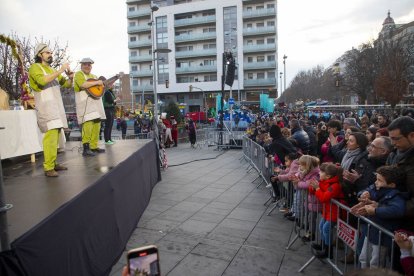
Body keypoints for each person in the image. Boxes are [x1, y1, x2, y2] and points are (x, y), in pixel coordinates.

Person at [28, 43, 74, 177]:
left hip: (56, 107)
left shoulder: (52, 69)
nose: (50, 55)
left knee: (57, 137)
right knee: (50, 137)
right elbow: (42, 81)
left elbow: (66, 85)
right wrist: (60, 71)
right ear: (39, 55)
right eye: (47, 52)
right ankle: (48, 167)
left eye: (51, 53)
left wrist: (70, 78)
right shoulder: (35, 67)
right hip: (46, 108)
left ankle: (53, 163)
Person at [353, 165, 406, 269]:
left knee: (375, 263)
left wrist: (375, 210)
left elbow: (397, 210)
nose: (376, 182)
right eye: (376, 179)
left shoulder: (396, 196)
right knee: (363, 258)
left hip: (382, 237)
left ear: (391, 185)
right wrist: (363, 194)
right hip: (370, 232)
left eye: (379, 180)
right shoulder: (375, 187)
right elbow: (367, 189)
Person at [309, 162, 344, 258]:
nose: (319, 173)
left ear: (328, 176)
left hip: (334, 212)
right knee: (321, 227)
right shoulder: (325, 182)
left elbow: (324, 197)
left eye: (321, 172)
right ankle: (323, 245)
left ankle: (328, 252)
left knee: (326, 229)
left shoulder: (335, 185)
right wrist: (312, 187)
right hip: (327, 210)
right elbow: (316, 191)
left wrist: (317, 189)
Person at [73, 57, 106, 156]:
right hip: (85, 105)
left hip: (95, 104)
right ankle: (86, 148)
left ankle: (94, 146)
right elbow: (83, 85)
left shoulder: (94, 75)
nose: (87, 66)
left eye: (89, 64)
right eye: (85, 64)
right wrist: (98, 82)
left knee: (97, 124)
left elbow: (99, 89)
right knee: (88, 125)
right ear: (81, 65)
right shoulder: (79, 74)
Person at [102, 79, 118, 145]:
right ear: (108, 85)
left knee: (110, 125)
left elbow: (113, 102)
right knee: (108, 125)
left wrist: (115, 101)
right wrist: (116, 100)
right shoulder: (107, 92)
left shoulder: (110, 92)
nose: (113, 85)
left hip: (111, 109)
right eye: (111, 84)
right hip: (107, 109)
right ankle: (106, 140)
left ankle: (109, 139)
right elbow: (110, 101)